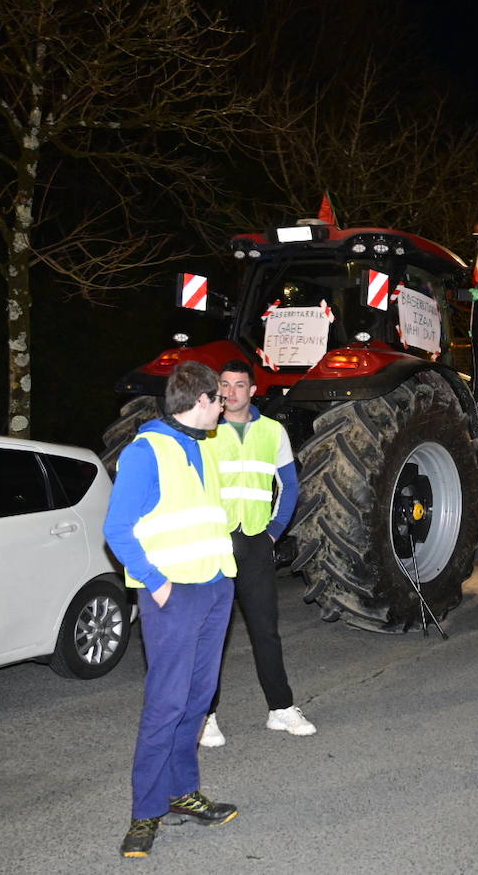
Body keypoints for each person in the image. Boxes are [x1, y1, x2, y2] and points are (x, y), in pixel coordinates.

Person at [104, 361, 239, 859]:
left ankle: (183, 793)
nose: (224, 406)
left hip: (213, 589)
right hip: (174, 596)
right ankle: (145, 813)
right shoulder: (148, 450)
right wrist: (158, 586)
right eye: (219, 398)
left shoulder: (201, 446)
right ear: (202, 400)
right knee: (166, 703)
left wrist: (223, 580)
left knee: (199, 699)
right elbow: (118, 530)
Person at [199, 359, 315, 749]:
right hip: (215, 541)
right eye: (224, 385)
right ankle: (206, 715)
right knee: (213, 633)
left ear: (253, 390)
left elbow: (290, 486)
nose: (230, 392)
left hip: (255, 543)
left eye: (239, 385)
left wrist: (273, 533)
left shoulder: (272, 431)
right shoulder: (205, 429)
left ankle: (280, 708)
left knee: (266, 630)